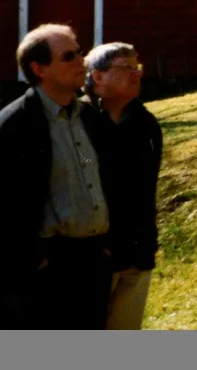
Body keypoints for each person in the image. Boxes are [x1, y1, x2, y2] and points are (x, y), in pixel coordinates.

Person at [0, 24, 113, 329]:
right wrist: (34, 261)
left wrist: (107, 246)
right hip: (47, 270)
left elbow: (109, 180)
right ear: (39, 69)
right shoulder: (14, 125)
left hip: (95, 261)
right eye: (68, 56)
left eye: (79, 52)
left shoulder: (91, 118)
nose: (82, 61)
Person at [84, 42, 162, 330]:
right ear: (98, 76)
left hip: (136, 255)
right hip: (91, 258)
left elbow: (145, 190)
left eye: (137, 68)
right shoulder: (77, 123)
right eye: (126, 67)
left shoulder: (145, 123)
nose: (136, 74)